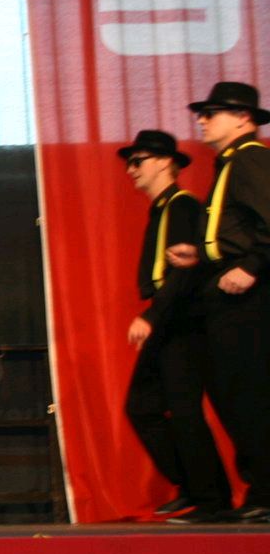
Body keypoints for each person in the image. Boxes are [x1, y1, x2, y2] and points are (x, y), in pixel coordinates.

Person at [167, 82, 270, 523]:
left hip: (250, 293)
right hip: (227, 289)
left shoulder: (250, 158)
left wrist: (252, 265)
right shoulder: (231, 162)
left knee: (248, 392)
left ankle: (266, 491)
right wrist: (204, 253)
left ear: (243, 118)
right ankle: (259, 490)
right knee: (234, 392)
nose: (203, 120)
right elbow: (238, 228)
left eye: (212, 113)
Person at [116, 129, 228, 523]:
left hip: (182, 320)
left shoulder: (181, 206)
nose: (131, 170)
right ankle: (195, 487)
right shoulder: (163, 208)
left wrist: (151, 316)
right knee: (144, 406)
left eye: (138, 161)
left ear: (165, 162)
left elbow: (184, 272)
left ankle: (212, 499)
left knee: (183, 410)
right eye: (129, 163)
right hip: (169, 316)